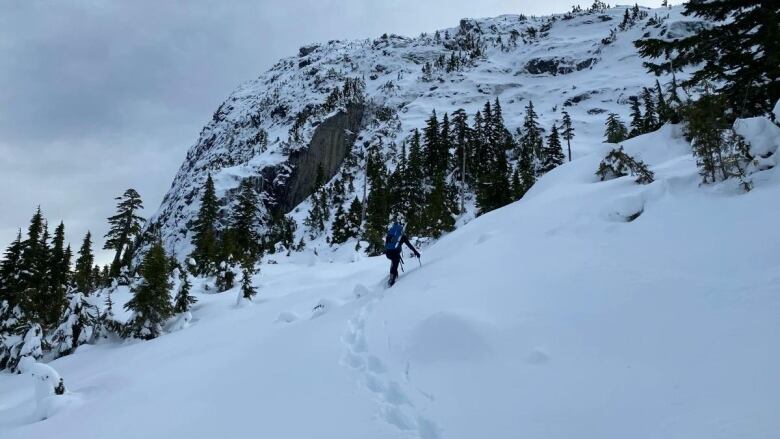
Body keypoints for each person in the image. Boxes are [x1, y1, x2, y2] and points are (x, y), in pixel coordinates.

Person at [384, 222, 420, 286]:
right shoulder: (402, 237)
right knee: (395, 262)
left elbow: (386, 244)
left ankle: (392, 274)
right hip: (395, 254)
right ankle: (392, 280)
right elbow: (409, 245)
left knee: (393, 261)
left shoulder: (391, 233)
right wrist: (416, 252)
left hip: (388, 253)